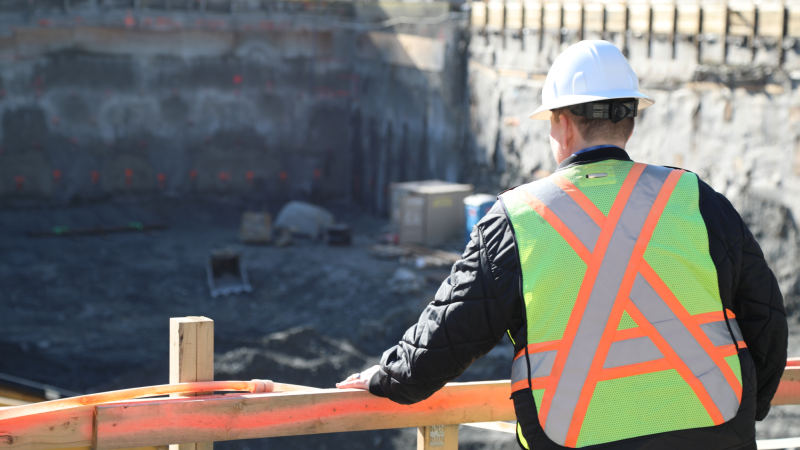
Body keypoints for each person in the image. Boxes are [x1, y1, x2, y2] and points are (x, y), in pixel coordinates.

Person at [337, 40, 787, 450]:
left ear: (562, 124)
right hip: (715, 432)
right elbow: (765, 320)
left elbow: (450, 335)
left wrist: (389, 376)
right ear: (629, 122)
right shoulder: (696, 199)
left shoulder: (516, 219)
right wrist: (744, 413)